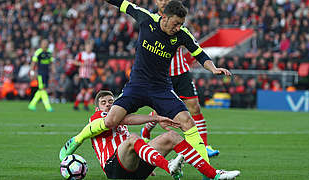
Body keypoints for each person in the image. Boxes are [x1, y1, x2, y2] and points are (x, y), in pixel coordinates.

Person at [60, 1, 238, 178]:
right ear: (164, 17)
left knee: (188, 123)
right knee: (111, 120)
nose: (178, 27)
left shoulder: (183, 34)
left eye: (181, 24)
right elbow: (123, 4)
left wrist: (213, 68)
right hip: (136, 86)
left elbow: (199, 53)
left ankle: (209, 174)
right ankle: (77, 139)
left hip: (161, 89)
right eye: (175, 23)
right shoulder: (146, 19)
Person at [64, 90, 240, 179]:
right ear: (98, 108)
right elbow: (126, 120)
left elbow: (127, 119)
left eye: (111, 101)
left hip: (132, 167)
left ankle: (213, 174)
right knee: (134, 138)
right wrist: (156, 117)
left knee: (172, 136)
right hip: (113, 168)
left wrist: (157, 119)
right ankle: (168, 165)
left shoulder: (118, 115)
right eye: (104, 103)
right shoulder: (97, 117)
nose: (109, 105)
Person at [140, 0, 219, 157]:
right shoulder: (152, 22)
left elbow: (195, 49)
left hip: (181, 73)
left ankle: (203, 146)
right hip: (163, 76)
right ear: (157, 3)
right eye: (161, 0)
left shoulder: (178, 26)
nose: (164, 2)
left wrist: (213, 67)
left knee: (195, 107)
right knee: (161, 112)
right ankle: (146, 130)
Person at [28, 39, 55, 112]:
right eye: (44, 43)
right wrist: (32, 72)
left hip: (46, 73)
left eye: (46, 43)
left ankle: (32, 104)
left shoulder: (49, 52)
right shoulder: (38, 52)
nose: (45, 44)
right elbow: (33, 62)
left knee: (41, 89)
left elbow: (51, 62)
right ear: (41, 44)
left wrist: (53, 70)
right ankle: (48, 107)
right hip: (40, 73)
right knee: (43, 89)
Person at [73, 42, 97, 111]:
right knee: (90, 90)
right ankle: (85, 105)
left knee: (83, 91)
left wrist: (93, 67)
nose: (89, 48)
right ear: (85, 47)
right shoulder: (81, 54)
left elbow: (94, 64)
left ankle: (76, 105)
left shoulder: (93, 55)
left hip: (89, 76)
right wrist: (81, 64)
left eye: (90, 47)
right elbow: (74, 62)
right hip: (83, 76)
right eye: (88, 47)